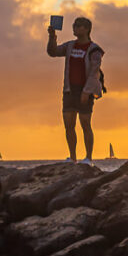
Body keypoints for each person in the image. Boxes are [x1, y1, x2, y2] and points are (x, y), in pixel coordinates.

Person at [48, 16, 106, 161]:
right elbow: (53, 52)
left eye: (79, 26)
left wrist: (87, 91)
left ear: (86, 29)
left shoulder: (94, 50)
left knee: (85, 123)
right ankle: (73, 157)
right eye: (74, 25)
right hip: (69, 89)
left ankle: (88, 158)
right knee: (69, 124)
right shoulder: (70, 46)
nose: (75, 28)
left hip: (85, 89)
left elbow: (94, 72)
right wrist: (51, 37)